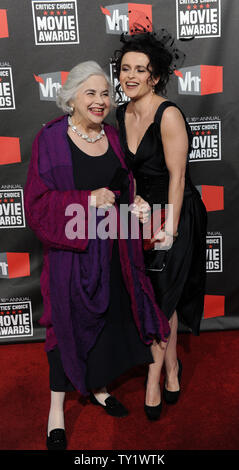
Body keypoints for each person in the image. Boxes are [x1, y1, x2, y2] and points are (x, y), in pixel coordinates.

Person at [24, 61, 170, 450]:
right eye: (90, 93)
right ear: (71, 98)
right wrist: (86, 200)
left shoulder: (113, 137)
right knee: (66, 324)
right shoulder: (50, 139)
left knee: (106, 319)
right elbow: (36, 205)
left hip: (112, 251)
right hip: (70, 256)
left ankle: (100, 387)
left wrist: (136, 204)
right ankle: (57, 410)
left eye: (105, 93)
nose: (101, 100)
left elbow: (123, 188)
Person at [114, 30, 207, 418]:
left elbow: (178, 177)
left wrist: (169, 229)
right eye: (125, 69)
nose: (131, 76)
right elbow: (125, 171)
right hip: (142, 213)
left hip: (176, 210)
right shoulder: (120, 114)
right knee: (152, 298)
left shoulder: (168, 114)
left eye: (141, 70)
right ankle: (171, 366)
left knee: (164, 296)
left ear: (155, 76)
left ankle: (155, 380)